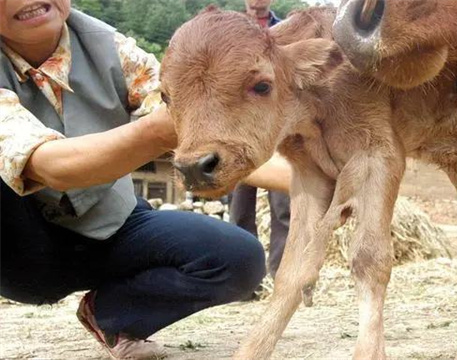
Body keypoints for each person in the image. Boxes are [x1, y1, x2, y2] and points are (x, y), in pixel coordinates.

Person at [0, 1, 289, 359]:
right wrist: (160, 130)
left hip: (114, 222)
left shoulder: (112, 47)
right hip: (23, 251)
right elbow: (50, 167)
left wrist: (315, 182)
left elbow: (205, 143)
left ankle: (111, 313)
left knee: (239, 258)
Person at [229, 0, 290, 278]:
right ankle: (243, 279)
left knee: (283, 208)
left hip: (276, 131)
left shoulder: (285, 31)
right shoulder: (230, 32)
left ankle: (281, 277)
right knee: (240, 207)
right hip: (238, 130)